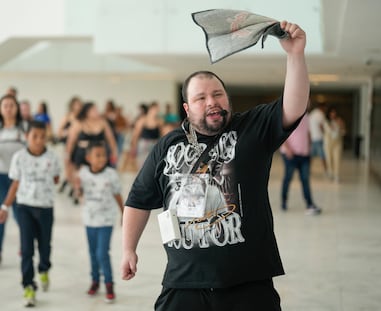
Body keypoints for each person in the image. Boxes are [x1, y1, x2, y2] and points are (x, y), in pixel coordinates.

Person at [121, 20, 309, 311]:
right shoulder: (169, 145)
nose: (212, 102)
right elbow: (138, 199)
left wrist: (295, 54)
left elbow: (293, 106)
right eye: (201, 98)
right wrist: (128, 249)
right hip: (184, 283)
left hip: (248, 282)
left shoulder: (251, 129)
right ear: (187, 107)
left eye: (218, 94)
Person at [0, 121, 60, 307]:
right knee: (26, 250)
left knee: (44, 247)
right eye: (35, 136)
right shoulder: (19, 157)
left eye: (42, 137)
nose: (39, 140)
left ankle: (43, 269)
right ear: (27, 137)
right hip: (24, 207)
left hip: (45, 209)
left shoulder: (52, 157)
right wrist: (5, 206)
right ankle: (28, 285)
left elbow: (56, 178)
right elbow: (15, 184)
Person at [74, 141, 123, 303]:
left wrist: (124, 213)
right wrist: (77, 188)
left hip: (107, 220)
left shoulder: (111, 174)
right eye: (98, 155)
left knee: (102, 253)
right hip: (90, 219)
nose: (102, 158)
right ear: (88, 158)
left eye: (104, 155)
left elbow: (117, 195)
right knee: (92, 252)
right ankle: (95, 281)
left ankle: (109, 283)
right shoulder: (83, 174)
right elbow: (78, 193)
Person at [65, 102, 118, 203]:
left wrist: (114, 153)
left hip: (99, 155)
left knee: (100, 176)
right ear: (87, 111)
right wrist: (67, 155)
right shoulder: (79, 123)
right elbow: (71, 141)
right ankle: (79, 194)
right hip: (82, 154)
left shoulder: (103, 123)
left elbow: (111, 139)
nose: (96, 112)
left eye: (96, 109)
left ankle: (97, 195)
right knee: (80, 175)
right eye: (93, 110)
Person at [0, 94, 25, 264]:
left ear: (16, 108)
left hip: (20, 179)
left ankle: (25, 247)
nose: (8, 109)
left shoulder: (23, 129)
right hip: (1, 177)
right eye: (5, 105)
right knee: (1, 215)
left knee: (21, 215)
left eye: (11, 105)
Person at [280, 113, 321, 215]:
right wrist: (288, 149)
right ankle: (284, 201)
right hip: (291, 155)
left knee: (305, 179)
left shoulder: (307, 117)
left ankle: (309, 204)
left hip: (304, 155)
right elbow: (281, 133)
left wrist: (309, 149)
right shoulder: (289, 116)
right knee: (288, 178)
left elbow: (307, 134)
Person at [56, 97, 83, 193]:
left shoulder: (82, 119)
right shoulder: (68, 117)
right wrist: (67, 132)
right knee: (68, 167)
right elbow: (59, 132)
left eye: (79, 104)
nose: (78, 107)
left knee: (77, 169)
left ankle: (74, 187)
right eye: (76, 104)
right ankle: (69, 184)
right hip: (67, 145)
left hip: (79, 146)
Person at [129, 101, 162, 169]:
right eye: (155, 109)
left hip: (155, 144)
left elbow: (162, 134)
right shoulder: (142, 120)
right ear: (150, 109)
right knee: (142, 165)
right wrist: (133, 147)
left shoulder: (159, 121)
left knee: (154, 165)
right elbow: (135, 135)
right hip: (144, 144)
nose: (156, 111)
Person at [323, 107, 346, 182]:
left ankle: (336, 175)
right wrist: (331, 127)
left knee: (337, 158)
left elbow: (343, 132)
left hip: (337, 143)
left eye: (334, 112)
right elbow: (327, 131)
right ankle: (330, 173)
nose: (333, 114)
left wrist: (341, 126)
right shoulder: (326, 122)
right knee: (329, 158)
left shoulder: (339, 121)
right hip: (328, 143)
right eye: (331, 112)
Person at [309, 102, 327, 171]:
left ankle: (308, 170)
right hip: (319, 138)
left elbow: (309, 127)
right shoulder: (320, 114)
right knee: (323, 156)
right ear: (322, 107)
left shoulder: (312, 114)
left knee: (311, 156)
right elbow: (321, 126)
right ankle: (326, 170)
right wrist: (326, 134)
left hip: (313, 138)